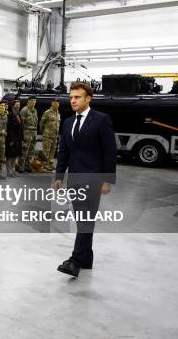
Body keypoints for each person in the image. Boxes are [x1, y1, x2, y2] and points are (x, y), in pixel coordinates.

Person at [53, 82, 117, 277]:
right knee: (83, 220)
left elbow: (110, 151)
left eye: (77, 97)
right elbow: (63, 151)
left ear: (88, 99)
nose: (73, 100)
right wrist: (59, 176)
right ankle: (87, 258)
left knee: (85, 220)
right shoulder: (68, 123)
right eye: (71, 97)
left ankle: (74, 261)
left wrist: (108, 180)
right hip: (74, 179)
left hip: (94, 179)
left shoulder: (101, 120)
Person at [40, 98, 61, 172]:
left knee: (52, 151)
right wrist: (44, 132)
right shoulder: (47, 112)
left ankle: (50, 164)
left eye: (57, 103)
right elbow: (42, 123)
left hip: (55, 136)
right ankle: (44, 165)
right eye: (54, 103)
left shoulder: (58, 113)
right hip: (47, 135)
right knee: (46, 151)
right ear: (52, 103)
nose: (56, 104)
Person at [18, 95, 38, 173]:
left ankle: (28, 166)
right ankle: (21, 166)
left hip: (34, 132)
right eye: (32, 100)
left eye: (35, 101)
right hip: (27, 132)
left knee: (31, 150)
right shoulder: (24, 110)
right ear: (28, 101)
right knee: (24, 150)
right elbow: (21, 123)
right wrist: (22, 134)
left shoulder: (35, 110)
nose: (33, 102)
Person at [5, 98, 22, 177]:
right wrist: (11, 139)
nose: (18, 106)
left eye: (19, 105)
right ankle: (9, 171)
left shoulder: (18, 114)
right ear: (13, 106)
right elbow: (9, 128)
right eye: (16, 105)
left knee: (15, 155)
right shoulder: (10, 115)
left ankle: (13, 170)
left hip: (17, 138)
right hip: (11, 138)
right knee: (9, 155)